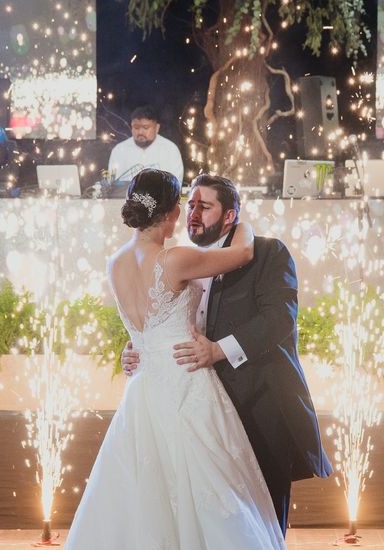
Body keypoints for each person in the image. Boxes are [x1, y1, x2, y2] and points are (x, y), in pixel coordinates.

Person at [65, 169, 286, 550]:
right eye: (182, 207)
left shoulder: (115, 263)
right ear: (169, 212)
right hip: (186, 381)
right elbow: (244, 253)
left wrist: (134, 347)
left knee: (140, 491)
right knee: (206, 486)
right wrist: (243, 225)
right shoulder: (175, 259)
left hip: (143, 388)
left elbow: (143, 326)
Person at [121, 174, 333, 535]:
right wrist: (137, 347)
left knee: (257, 523)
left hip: (260, 406)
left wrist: (219, 350)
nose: (192, 213)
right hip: (198, 412)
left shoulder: (267, 252)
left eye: (204, 207)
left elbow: (279, 320)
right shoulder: (178, 259)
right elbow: (164, 319)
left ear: (230, 216)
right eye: (189, 205)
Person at [107, 105, 184, 183]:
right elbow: (113, 185)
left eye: (146, 127)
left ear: (157, 128)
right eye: (136, 127)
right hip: (127, 195)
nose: (140, 132)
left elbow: (175, 184)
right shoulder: (119, 150)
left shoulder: (170, 149)